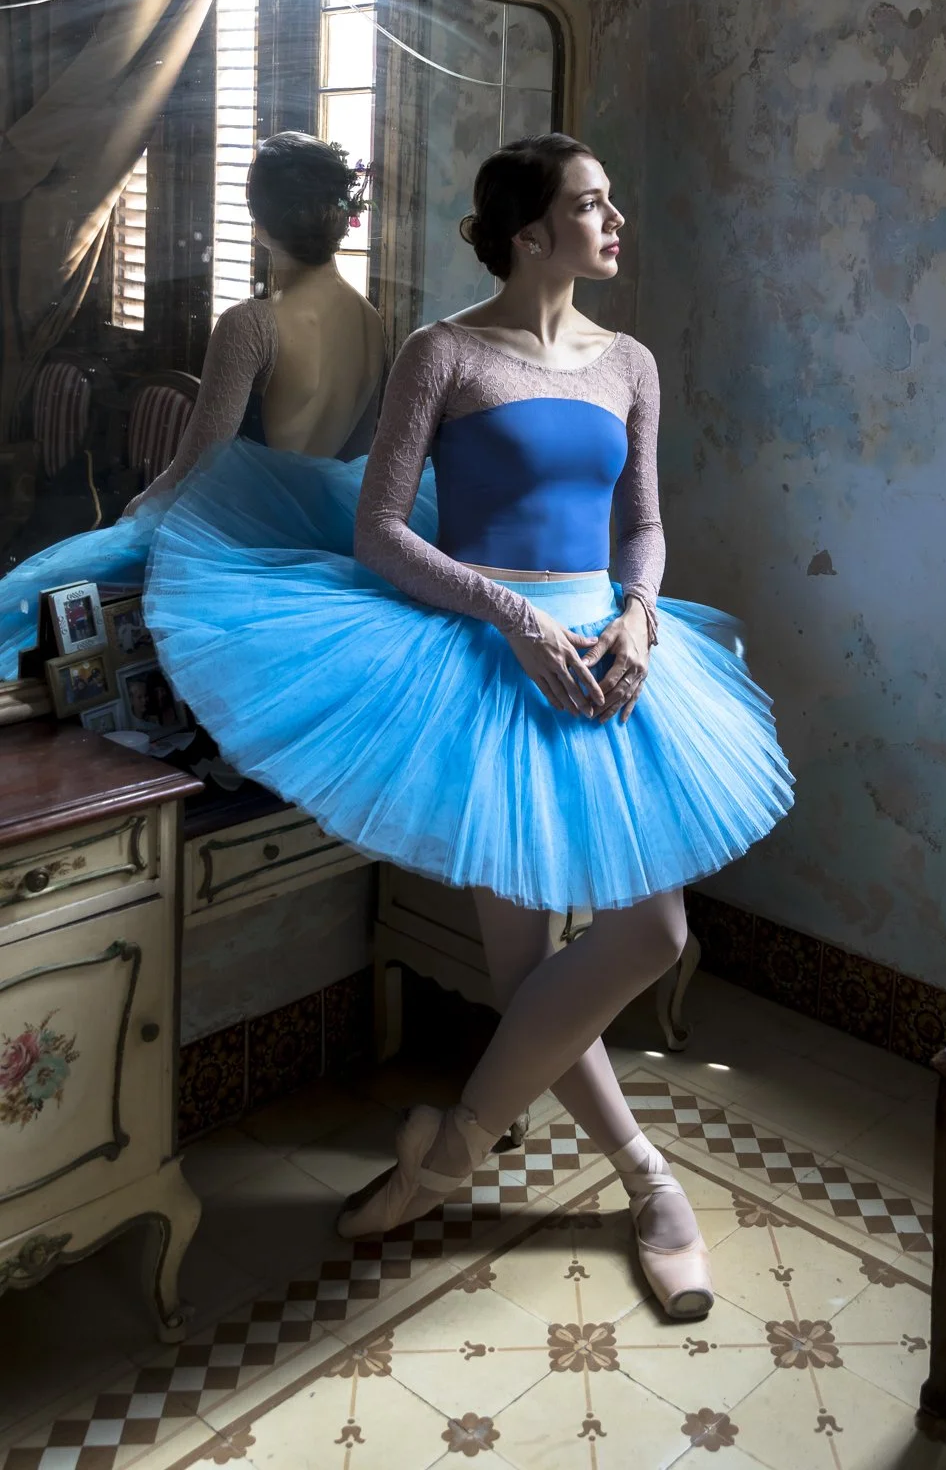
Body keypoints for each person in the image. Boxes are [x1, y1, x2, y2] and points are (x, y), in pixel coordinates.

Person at [145, 133, 795, 1322]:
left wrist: (640, 618)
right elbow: (381, 532)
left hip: (607, 656)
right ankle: (651, 1186)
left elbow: (641, 523)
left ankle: (449, 1148)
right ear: (532, 230)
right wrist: (510, 617)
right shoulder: (440, 350)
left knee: (648, 932)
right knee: (527, 968)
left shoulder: (631, 362)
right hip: (488, 657)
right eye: (594, 204)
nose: (615, 221)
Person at [0, 132, 383, 676]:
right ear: (340, 215)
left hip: (245, 539)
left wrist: (133, 513)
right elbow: (359, 453)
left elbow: (200, 462)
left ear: (259, 220)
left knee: (54, 609)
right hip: (325, 535)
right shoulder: (372, 320)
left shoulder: (251, 323)